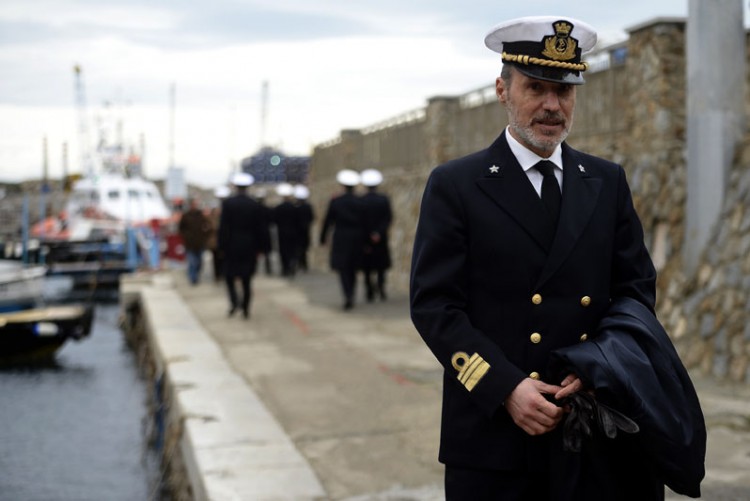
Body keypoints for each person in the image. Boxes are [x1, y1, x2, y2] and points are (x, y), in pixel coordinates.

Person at [409, 16, 663, 500]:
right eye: (536, 88)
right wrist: (504, 387)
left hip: (593, 422)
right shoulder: (457, 184)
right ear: (502, 89)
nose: (552, 106)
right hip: (493, 435)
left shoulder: (606, 181)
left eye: (565, 92)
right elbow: (435, 306)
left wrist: (599, 367)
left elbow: (635, 291)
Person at [218, 172, 268, 319]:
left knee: (229, 277)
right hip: (249, 246)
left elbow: (224, 228)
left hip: (231, 245)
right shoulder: (254, 205)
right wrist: (262, 248)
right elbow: (261, 229)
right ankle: (246, 308)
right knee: (247, 279)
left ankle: (234, 303)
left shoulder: (228, 204)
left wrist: (221, 246)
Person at [319, 169, 365, 310]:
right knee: (353, 268)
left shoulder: (336, 201)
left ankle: (347, 295)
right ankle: (351, 293)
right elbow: (365, 222)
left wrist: (323, 238)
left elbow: (328, 221)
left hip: (341, 238)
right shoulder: (360, 201)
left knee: (343, 268)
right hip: (357, 238)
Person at [359, 169, 392, 302]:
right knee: (381, 265)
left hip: (365, 239)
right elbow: (388, 217)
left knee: (367, 266)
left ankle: (369, 291)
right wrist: (378, 232)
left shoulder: (361, 201)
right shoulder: (384, 199)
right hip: (381, 238)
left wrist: (369, 234)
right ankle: (381, 287)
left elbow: (361, 221)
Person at [177, 197, 212, 285]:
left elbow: (208, 226)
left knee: (199, 262)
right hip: (189, 243)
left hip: (200, 242)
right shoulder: (186, 216)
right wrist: (186, 236)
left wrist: (205, 235)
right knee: (192, 261)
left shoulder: (201, 215)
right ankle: (193, 277)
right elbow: (181, 229)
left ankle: (196, 274)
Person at [272, 183, 299, 277]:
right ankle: (292, 264)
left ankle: (285, 268)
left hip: (282, 232)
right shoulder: (295, 208)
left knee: (283, 251)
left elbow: (274, 220)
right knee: (292, 250)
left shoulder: (278, 208)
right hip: (293, 232)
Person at [208, 185, 230, 283]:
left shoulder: (224, 217)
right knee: (216, 260)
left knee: (224, 259)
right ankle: (218, 275)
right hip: (215, 243)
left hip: (224, 241)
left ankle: (223, 274)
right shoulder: (210, 219)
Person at [293, 184, 314, 272]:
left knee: (300, 248)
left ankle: (301, 264)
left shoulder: (295, 207)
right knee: (303, 248)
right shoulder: (307, 207)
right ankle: (303, 264)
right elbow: (311, 218)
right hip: (304, 230)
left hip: (298, 232)